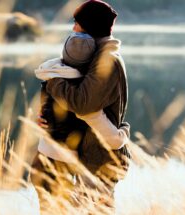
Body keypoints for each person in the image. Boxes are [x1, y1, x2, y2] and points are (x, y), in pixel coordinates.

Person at [30, 0, 131, 207]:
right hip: (88, 154)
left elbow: (83, 104)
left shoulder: (107, 60)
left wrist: (53, 80)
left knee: (94, 209)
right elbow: (77, 104)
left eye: (77, 23)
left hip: (100, 159)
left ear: (90, 26)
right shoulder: (94, 57)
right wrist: (49, 116)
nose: (74, 28)